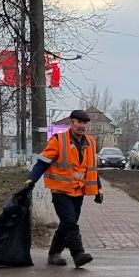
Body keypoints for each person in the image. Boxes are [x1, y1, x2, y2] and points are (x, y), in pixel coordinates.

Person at [27, 109, 103, 267]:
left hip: (79, 191)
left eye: (84, 123)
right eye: (78, 122)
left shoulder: (90, 142)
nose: (82, 126)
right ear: (71, 123)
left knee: (68, 223)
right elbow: (42, 162)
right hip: (60, 190)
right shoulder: (58, 140)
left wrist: (98, 188)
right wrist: (31, 180)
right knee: (70, 222)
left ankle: (54, 253)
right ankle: (78, 253)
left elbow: (92, 167)